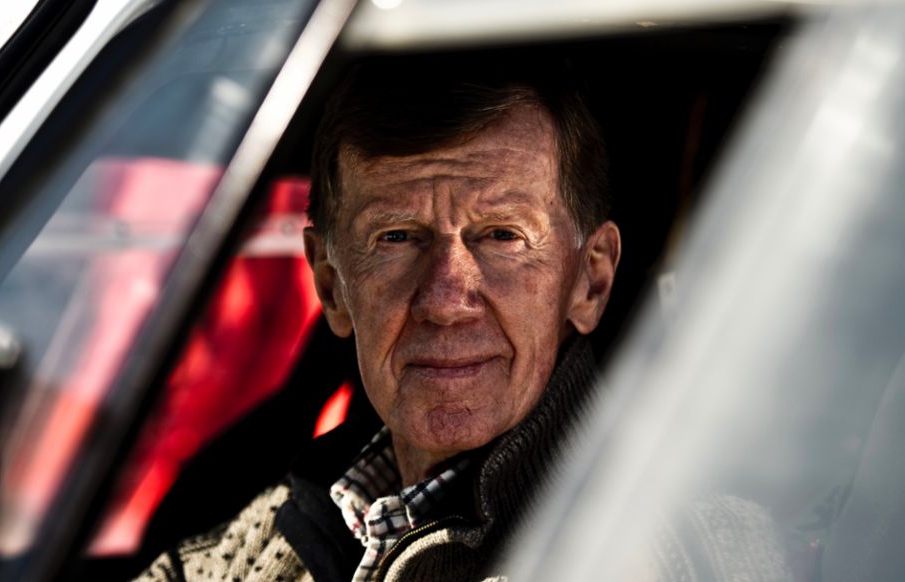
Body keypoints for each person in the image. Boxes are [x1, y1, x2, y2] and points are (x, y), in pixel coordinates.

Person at [136, 57, 621, 582]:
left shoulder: (658, 544)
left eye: (503, 235)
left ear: (590, 282)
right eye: (396, 237)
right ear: (331, 286)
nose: (445, 300)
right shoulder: (286, 523)